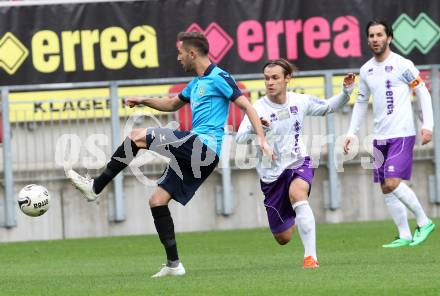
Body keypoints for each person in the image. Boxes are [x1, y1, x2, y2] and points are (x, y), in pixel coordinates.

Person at [66, 31, 273, 277]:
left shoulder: (220, 77)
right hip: (197, 153)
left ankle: (96, 186)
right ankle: (174, 264)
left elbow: (246, 105)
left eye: (180, 52)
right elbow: (173, 104)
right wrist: (144, 100)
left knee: (136, 136)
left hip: (204, 146)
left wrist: (261, 138)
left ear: (192, 53)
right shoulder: (196, 83)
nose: (178, 57)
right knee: (157, 201)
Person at [236, 58, 355, 268]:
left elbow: (328, 106)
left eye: (275, 78)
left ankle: (311, 257)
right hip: (271, 175)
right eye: (266, 78)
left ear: (287, 78)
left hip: (298, 160)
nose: (270, 82)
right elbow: (239, 138)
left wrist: (346, 92)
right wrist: (257, 129)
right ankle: (290, 217)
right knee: (283, 238)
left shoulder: (300, 101)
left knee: (298, 193)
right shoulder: (257, 108)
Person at [344, 20, 436, 248]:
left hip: (402, 133)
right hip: (379, 136)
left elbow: (422, 92)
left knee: (393, 182)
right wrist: (351, 133)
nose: (375, 39)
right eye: (371, 36)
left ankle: (424, 222)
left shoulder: (403, 65)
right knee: (385, 186)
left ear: (389, 38)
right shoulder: (366, 70)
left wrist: (429, 126)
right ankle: (404, 234)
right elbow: (361, 102)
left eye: (379, 35)